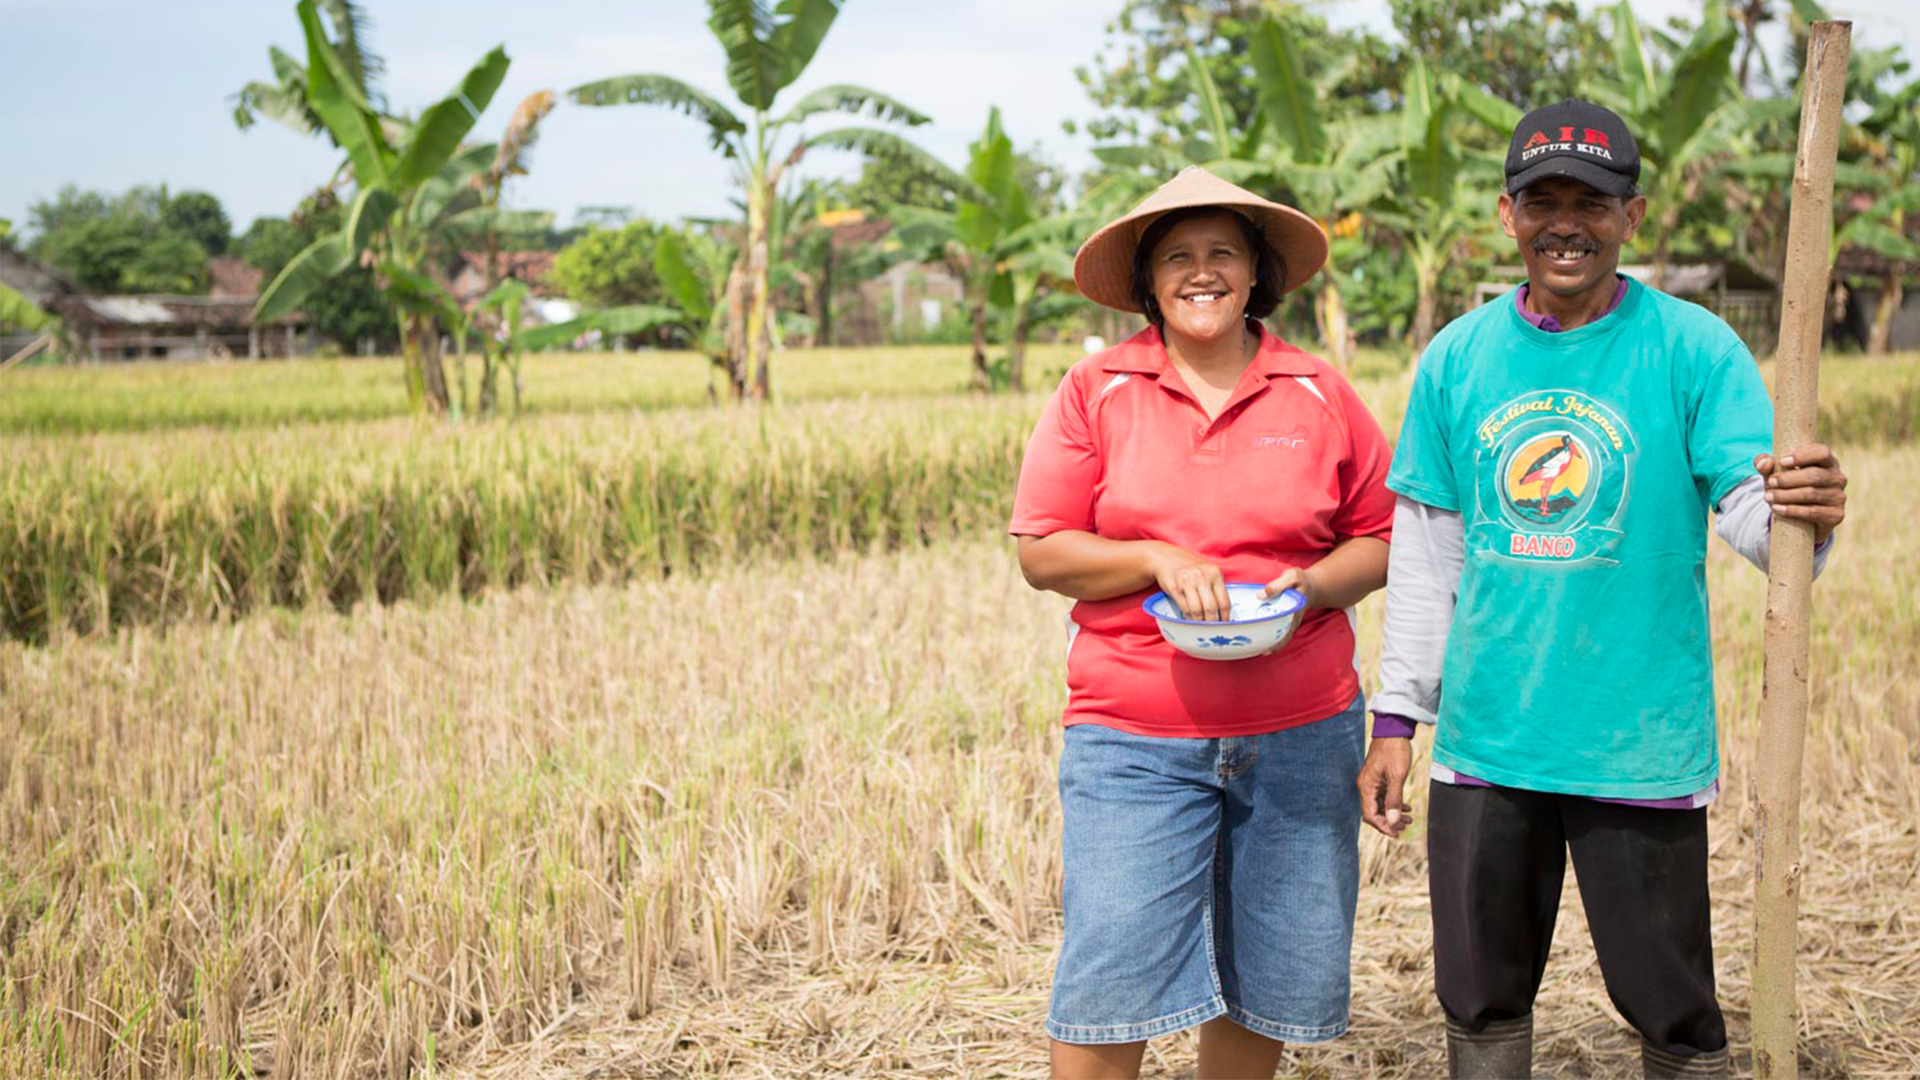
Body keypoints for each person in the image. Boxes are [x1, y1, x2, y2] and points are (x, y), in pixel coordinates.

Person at [1356, 100, 1849, 1080]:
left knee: (1671, 1006)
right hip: (1489, 741)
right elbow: (1424, 556)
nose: (1565, 222)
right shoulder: (1458, 359)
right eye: (1544, 200)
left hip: (1640, 741)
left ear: (1633, 217)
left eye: (1592, 200)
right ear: (1509, 216)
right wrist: (1397, 721)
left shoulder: (1694, 350)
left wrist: (1807, 513)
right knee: (1481, 998)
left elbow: (1754, 520)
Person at [1010, 166, 1396, 1080]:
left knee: (1265, 975)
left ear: (1258, 271)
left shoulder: (1319, 391)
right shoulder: (1096, 388)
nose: (1201, 272)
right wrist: (1152, 558)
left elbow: (1381, 538)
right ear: (1147, 282)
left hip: (1303, 736)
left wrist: (1301, 592)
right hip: (1134, 738)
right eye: (1176, 256)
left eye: (1223, 251)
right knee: (1109, 978)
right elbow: (1041, 549)